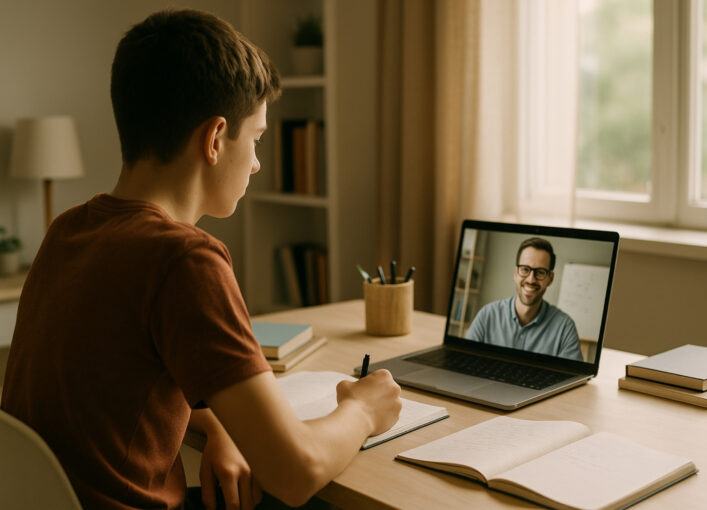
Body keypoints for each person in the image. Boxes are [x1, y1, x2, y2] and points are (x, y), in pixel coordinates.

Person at [1, 9, 402, 510]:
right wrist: (364, 410)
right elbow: (297, 472)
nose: (256, 162)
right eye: (255, 138)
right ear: (214, 139)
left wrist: (221, 422)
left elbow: (115, 385)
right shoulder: (185, 259)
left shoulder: (69, 230)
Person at [465, 237, 583, 361]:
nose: (531, 279)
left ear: (550, 279)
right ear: (516, 273)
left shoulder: (565, 328)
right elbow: (465, 362)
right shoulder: (487, 315)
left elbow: (573, 378)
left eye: (540, 272)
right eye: (525, 270)